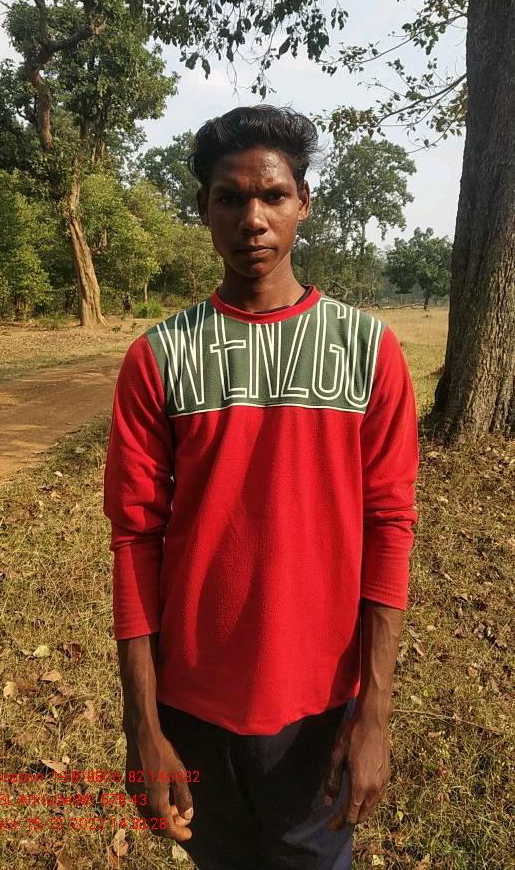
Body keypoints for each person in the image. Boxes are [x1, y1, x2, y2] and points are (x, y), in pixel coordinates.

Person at [103, 105, 420, 870]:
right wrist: (142, 725)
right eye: (230, 198)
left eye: (273, 195)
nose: (253, 218)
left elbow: (390, 526)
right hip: (192, 707)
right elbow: (134, 539)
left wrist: (375, 712)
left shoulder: (367, 351)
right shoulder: (160, 358)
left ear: (303, 202)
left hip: (321, 710)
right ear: (204, 208)